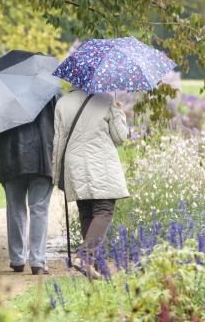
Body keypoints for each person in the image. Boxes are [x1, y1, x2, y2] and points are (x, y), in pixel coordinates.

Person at [52, 89, 129, 278]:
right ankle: (85, 257)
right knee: (104, 210)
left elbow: (59, 141)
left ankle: (98, 269)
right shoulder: (106, 100)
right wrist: (119, 112)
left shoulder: (63, 103)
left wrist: (57, 175)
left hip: (74, 164)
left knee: (87, 212)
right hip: (100, 163)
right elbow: (120, 138)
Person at [0, 95, 58, 275]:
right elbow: (61, 123)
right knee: (39, 209)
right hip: (42, 157)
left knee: (15, 208)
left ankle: (17, 258)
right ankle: (37, 261)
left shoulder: (3, 95)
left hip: (11, 157)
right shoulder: (50, 93)